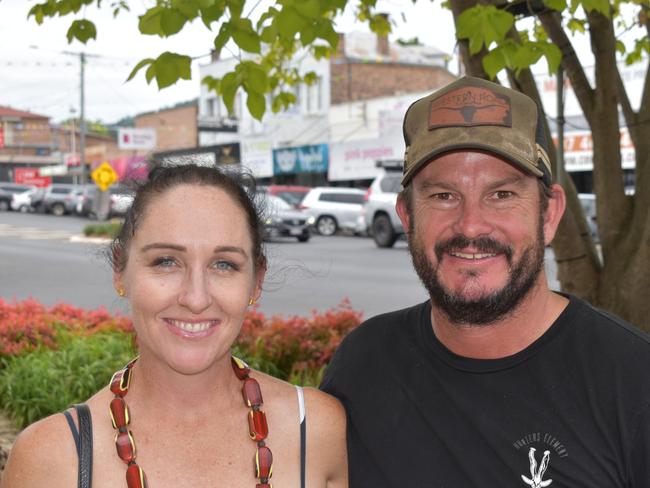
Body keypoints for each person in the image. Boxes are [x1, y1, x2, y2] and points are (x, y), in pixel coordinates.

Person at [321, 76, 650, 487]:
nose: (471, 225)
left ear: (549, 215)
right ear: (407, 215)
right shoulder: (363, 364)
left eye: (502, 195)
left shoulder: (634, 382)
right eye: (443, 196)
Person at [2, 164, 348, 488]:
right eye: (166, 261)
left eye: (224, 265)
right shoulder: (50, 459)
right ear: (120, 270)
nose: (195, 298)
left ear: (256, 281)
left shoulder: (316, 430)